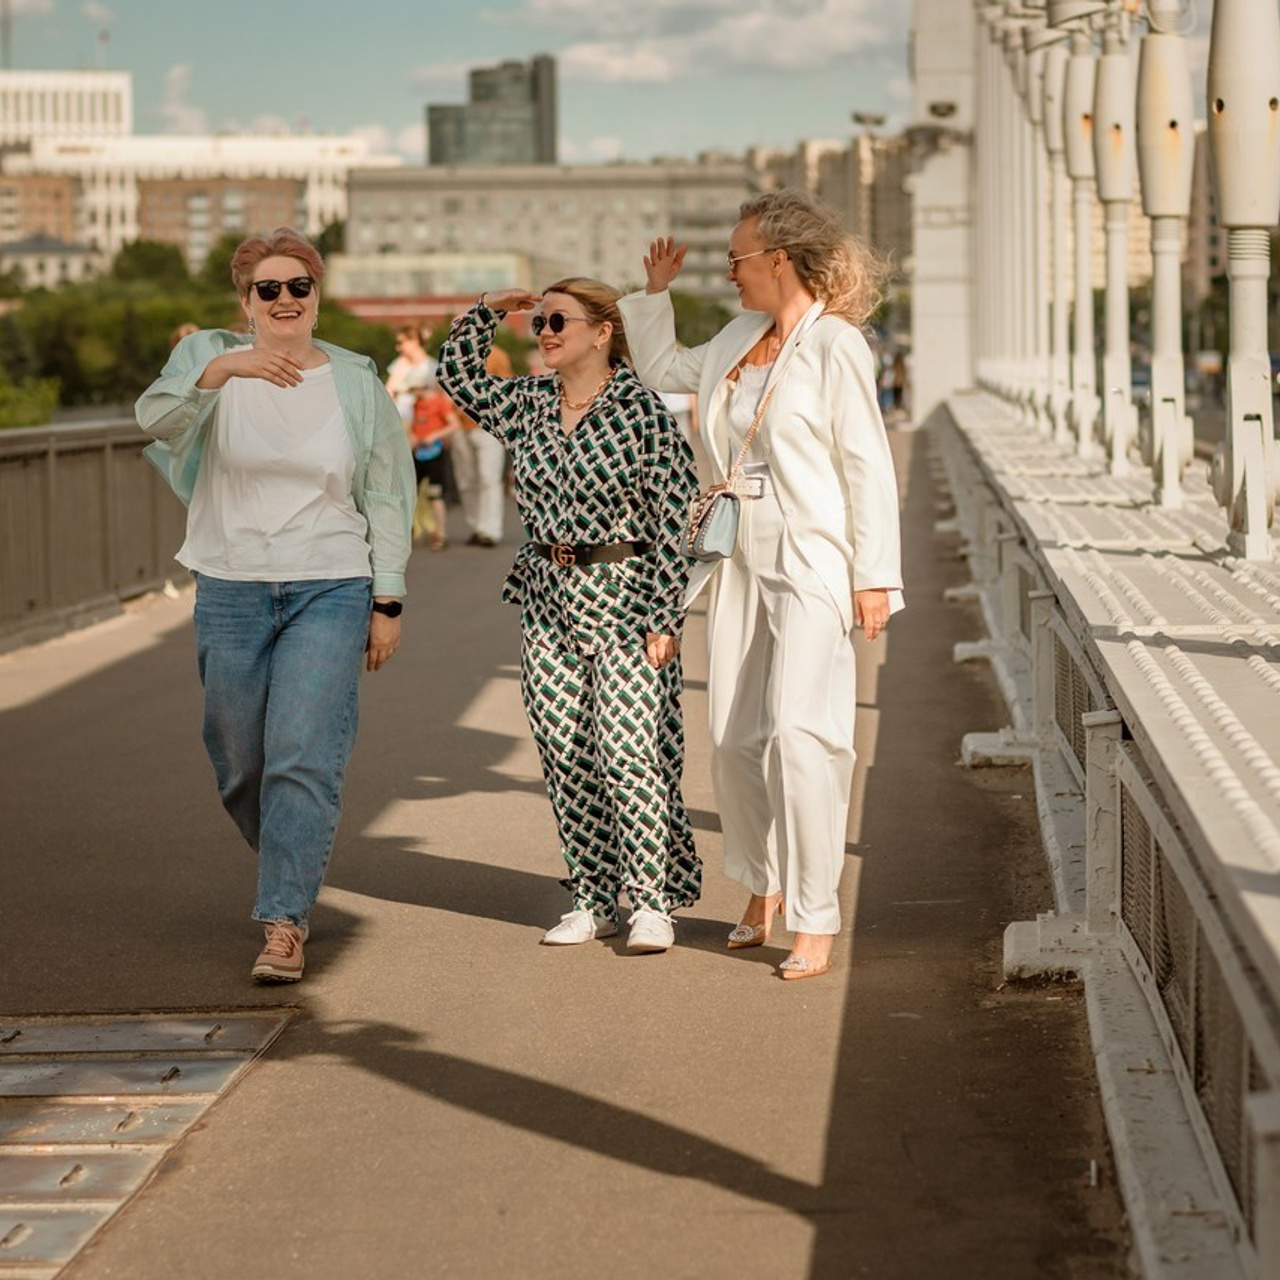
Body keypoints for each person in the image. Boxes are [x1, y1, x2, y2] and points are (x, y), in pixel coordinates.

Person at [618, 189, 904, 981]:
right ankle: (762, 884)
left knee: (800, 734)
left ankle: (816, 916)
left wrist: (875, 576)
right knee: (737, 738)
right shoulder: (740, 333)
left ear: (778, 259)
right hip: (734, 547)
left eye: (737, 258)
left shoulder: (835, 345)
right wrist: (655, 296)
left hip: (812, 551)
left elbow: (866, 462)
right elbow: (663, 370)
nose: (730, 271)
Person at [136, 226, 416, 984]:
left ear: (317, 299)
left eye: (300, 287)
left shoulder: (355, 381)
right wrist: (222, 369)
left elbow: (388, 493)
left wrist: (386, 599)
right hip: (230, 584)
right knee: (239, 756)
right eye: (270, 289)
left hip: (330, 582)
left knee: (300, 754)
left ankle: (283, 918)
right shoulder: (206, 362)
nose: (286, 299)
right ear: (246, 302)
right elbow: (153, 422)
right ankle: (295, 854)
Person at [437, 278, 702, 954]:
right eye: (539, 322)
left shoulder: (643, 413)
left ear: (602, 331)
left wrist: (664, 615)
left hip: (626, 596)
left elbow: (673, 521)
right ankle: (592, 897)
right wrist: (490, 311)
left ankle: (650, 902)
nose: (545, 332)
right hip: (547, 596)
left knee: (628, 752)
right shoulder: (528, 402)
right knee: (563, 751)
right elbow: (458, 377)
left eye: (558, 321)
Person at [450, 343, 512, 547]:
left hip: (488, 426)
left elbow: (506, 389)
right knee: (466, 480)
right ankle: (477, 526)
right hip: (459, 426)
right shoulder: (453, 356)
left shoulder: (497, 355)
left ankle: (490, 530)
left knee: (489, 478)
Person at [407, 369, 462, 550]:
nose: (415, 393)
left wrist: (435, 435)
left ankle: (441, 533)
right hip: (418, 453)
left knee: (435, 493)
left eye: (416, 388)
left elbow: (454, 424)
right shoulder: (417, 404)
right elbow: (416, 426)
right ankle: (410, 530)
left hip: (435, 453)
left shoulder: (439, 402)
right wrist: (413, 439)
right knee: (410, 492)